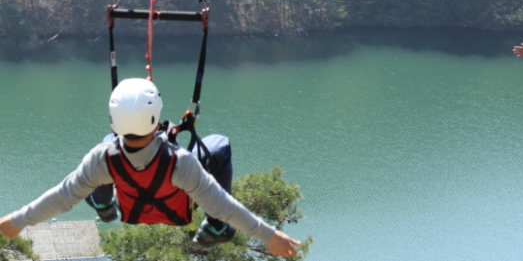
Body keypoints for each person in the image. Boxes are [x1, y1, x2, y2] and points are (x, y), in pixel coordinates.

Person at [0, 78, 300, 258]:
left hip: (130, 208)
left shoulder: (102, 158)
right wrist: (270, 236)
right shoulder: (182, 164)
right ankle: (217, 229)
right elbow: (224, 205)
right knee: (219, 144)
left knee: (104, 149)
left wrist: (19, 221)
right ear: (155, 117)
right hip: (177, 209)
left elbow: (62, 197)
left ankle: (104, 206)